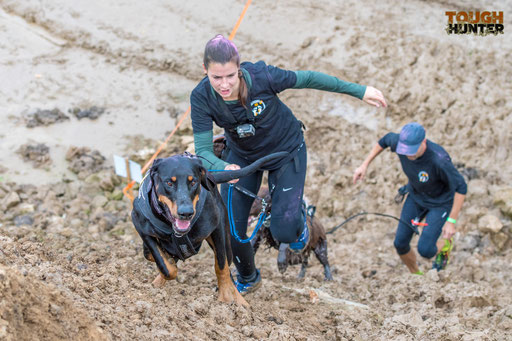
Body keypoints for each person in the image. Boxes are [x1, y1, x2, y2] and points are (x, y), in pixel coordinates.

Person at [191, 34, 387, 294]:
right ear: (205, 71)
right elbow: (203, 151)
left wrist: (359, 91)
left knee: (284, 231)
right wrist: (223, 167)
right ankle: (249, 278)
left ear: (239, 68)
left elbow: (308, 78)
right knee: (229, 229)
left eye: (231, 76)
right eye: (217, 78)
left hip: (286, 150)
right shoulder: (201, 97)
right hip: (242, 158)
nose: (225, 84)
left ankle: (301, 227)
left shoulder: (263, 77)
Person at [353, 122, 467, 274]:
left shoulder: (439, 160)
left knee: (426, 250)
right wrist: (364, 165)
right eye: (405, 151)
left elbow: (461, 187)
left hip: (440, 203)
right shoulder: (399, 142)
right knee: (400, 243)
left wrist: (451, 222)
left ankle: (445, 245)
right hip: (416, 196)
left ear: (423, 142)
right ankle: (416, 274)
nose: (408, 155)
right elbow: (384, 141)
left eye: (412, 151)